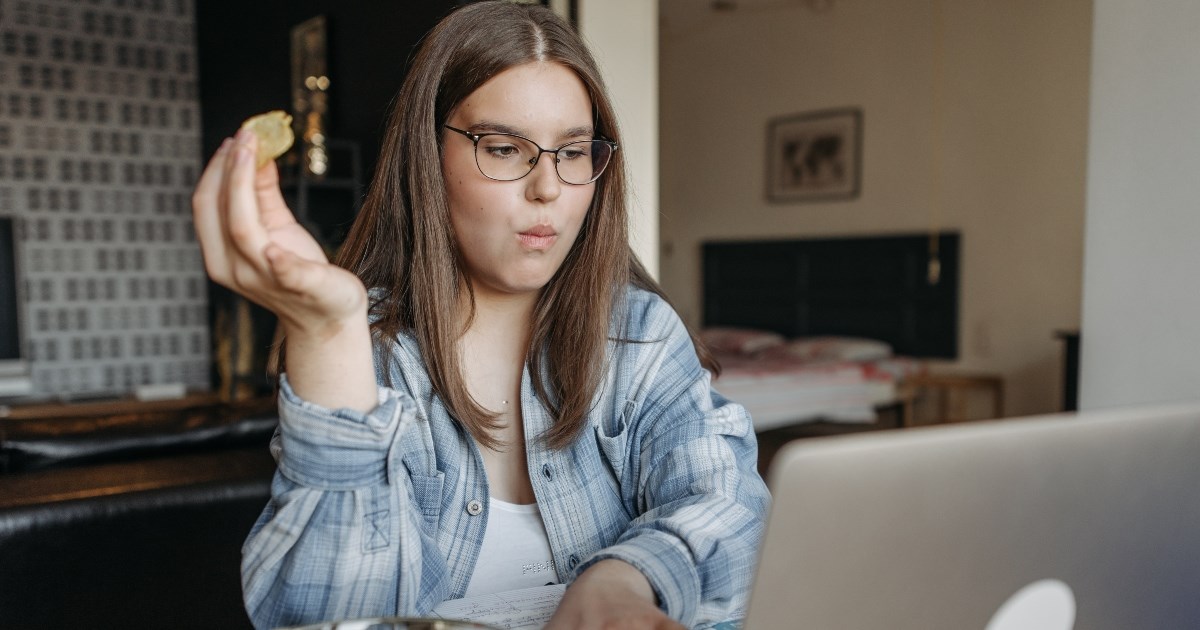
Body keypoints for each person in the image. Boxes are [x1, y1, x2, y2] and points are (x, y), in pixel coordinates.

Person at [191, 2, 769, 628]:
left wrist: (624, 577)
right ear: (427, 159)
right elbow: (329, 613)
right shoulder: (370, 360)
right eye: (503, 147)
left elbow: (729, 508)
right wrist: (327, 336)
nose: (547, 187)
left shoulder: (640, 337)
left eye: (572, 153)